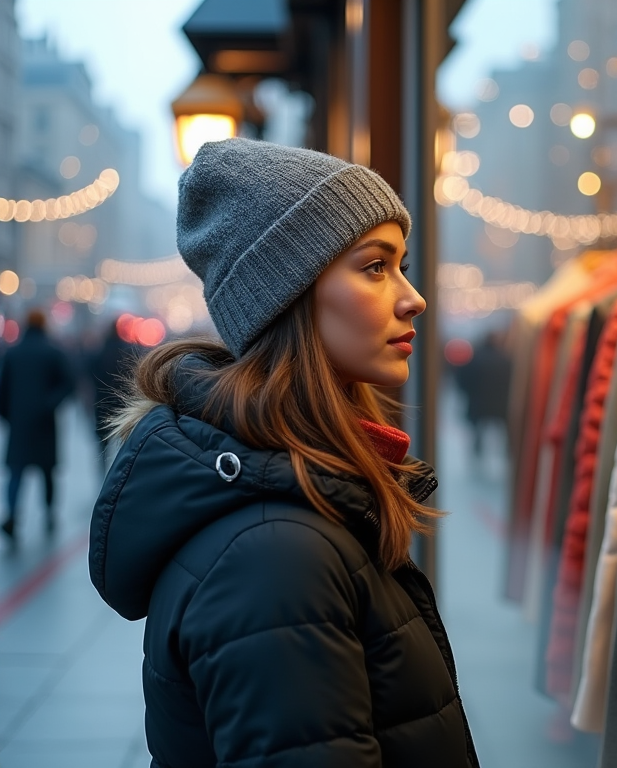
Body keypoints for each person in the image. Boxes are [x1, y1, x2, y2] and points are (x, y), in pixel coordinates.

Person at [88, 139, 479, 768]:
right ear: (288, 294)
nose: (413, 297)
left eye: (401, 264)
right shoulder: (274, 557)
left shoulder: (298, 504)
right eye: (375, 266)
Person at [0, 308, 75, 542]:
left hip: (19, 423)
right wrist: (49, 405)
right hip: (44, 423)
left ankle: (12, 514)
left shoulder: (13, 353)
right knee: (47, 472)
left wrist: (9, 415)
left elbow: (2, 388)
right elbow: (68, 384)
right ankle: (49, 514)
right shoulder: (52, 352)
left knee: (16, 472)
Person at [87, 319, 138, 467]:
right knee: (124, 444)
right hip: (123, 403)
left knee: (102, 444)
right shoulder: (126, 351)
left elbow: (91, 375)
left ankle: (103, 474)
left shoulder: (99, 352)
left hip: (101, 402)